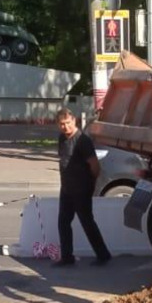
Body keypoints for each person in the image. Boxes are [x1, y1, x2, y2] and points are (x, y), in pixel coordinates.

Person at [53, 107, 110, 267]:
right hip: (66, 189)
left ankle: (103, 255)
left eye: (68, 123)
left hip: (81, 190)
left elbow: (95, 166)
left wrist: (89, 185)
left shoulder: (82, 141)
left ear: (74, 121)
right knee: (63, 222)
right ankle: (67, 257)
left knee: (87, 222)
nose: (66, 127)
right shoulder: (61, 139)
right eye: (62, 124)